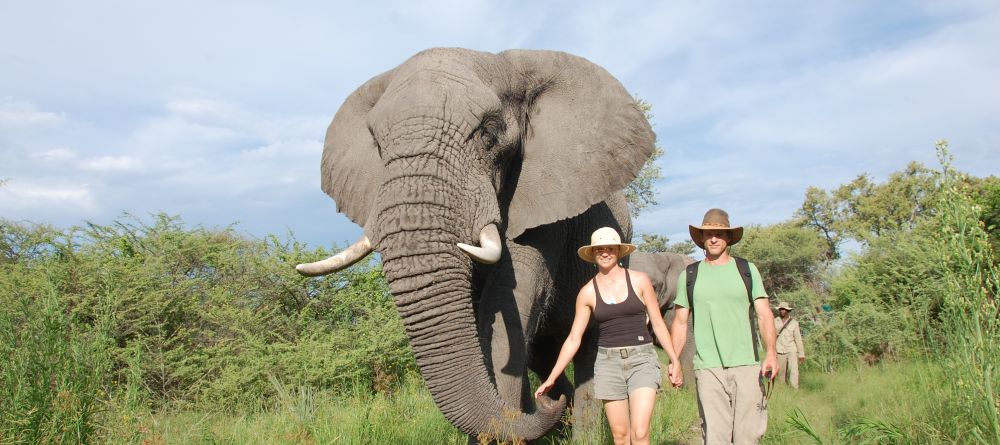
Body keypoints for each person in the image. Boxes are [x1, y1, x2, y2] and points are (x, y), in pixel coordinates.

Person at [535, 227, 683, 445]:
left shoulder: (640, 280)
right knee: (620, 436)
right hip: (608, 364)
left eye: (610, 248)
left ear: (618, 251)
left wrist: (674, 360)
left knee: (640, 432)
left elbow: (659, 324)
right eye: (600, 249)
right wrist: (552, 377)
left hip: (641, 359)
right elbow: (574, 338)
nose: (605, 253)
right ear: (593, 254)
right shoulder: (587, 292)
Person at [669, 209, 779, 445]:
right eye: (709, 234)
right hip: (708, 369)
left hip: (747, 365)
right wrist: (675, 360)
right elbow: (680, 322)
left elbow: (764, 314)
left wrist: (771, 353)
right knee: (715, 438)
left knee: (747, 437)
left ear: (728, 238)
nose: (714, 238)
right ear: (701, 239)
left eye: (719, 233)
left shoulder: (747, 270)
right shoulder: (690, 275)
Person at [774, 301, 805, 389]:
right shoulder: (774, 321)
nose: (782, 311)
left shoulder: (794, 323)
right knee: (781, 372)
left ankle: (794, 389)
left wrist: (801, 354)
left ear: (788, 311)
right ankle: (782, 389)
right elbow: (771, 337)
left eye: (784, 309)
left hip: (791, 349)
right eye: (780, 309)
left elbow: (798, 339)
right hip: (779, 350)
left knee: (794, 370)